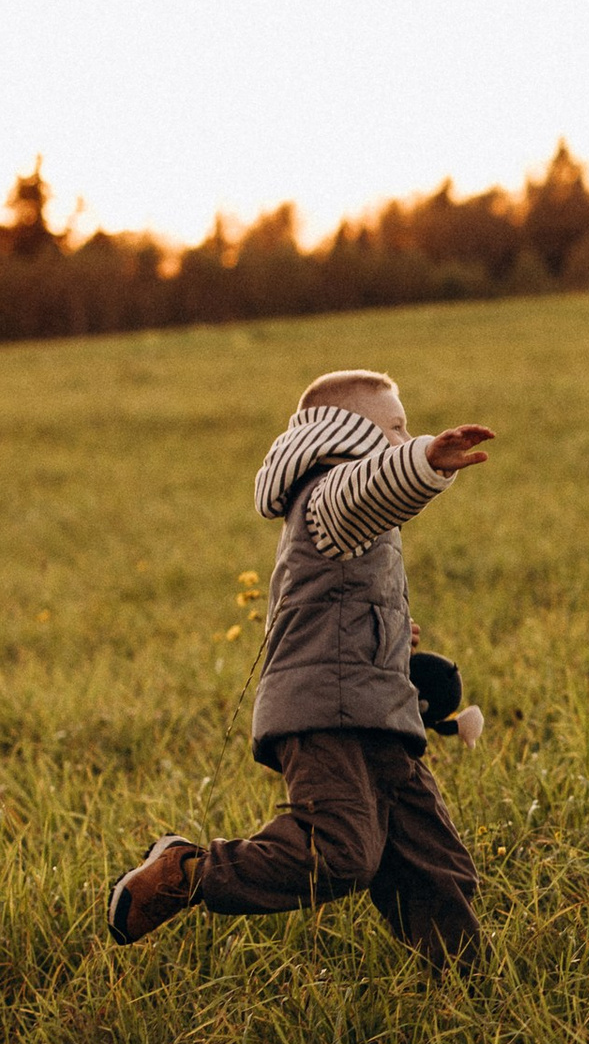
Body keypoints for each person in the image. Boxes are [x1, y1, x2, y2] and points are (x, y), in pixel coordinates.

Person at [108, 365, 494, 960]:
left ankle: (467, 985)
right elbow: (368, 488)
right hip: (327, 715)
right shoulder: (328, 496)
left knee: (433, 862)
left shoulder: (354, 520)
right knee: (338, 852)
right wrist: (423, 459)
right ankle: (189, 871)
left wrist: (393, 635)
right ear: (343, 434)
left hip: (376, 712)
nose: (401, 437)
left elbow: (336, 603)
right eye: (393, 427)